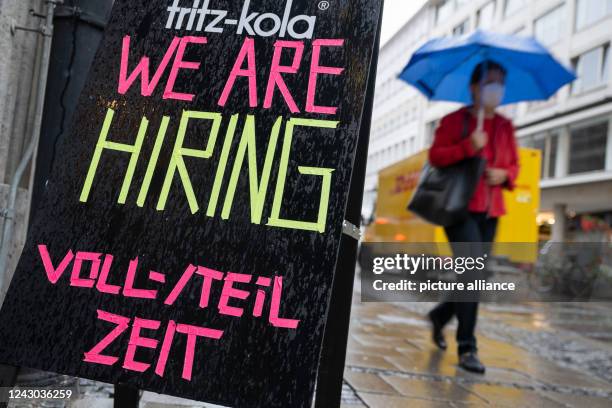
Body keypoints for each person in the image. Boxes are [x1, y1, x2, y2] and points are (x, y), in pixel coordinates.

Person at [426, 60, 520, 374]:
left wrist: (504, 174)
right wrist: (469, 146)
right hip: (459, 209)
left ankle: (441, 315)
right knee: (472, 275)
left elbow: (515, 165)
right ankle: (467, 347)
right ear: (475, 87)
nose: (497, 88)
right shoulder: (455, 121)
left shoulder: (506, 126)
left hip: (492, 211)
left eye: (501, 82)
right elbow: (436, 157)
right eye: (491, 81)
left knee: (473, 276)